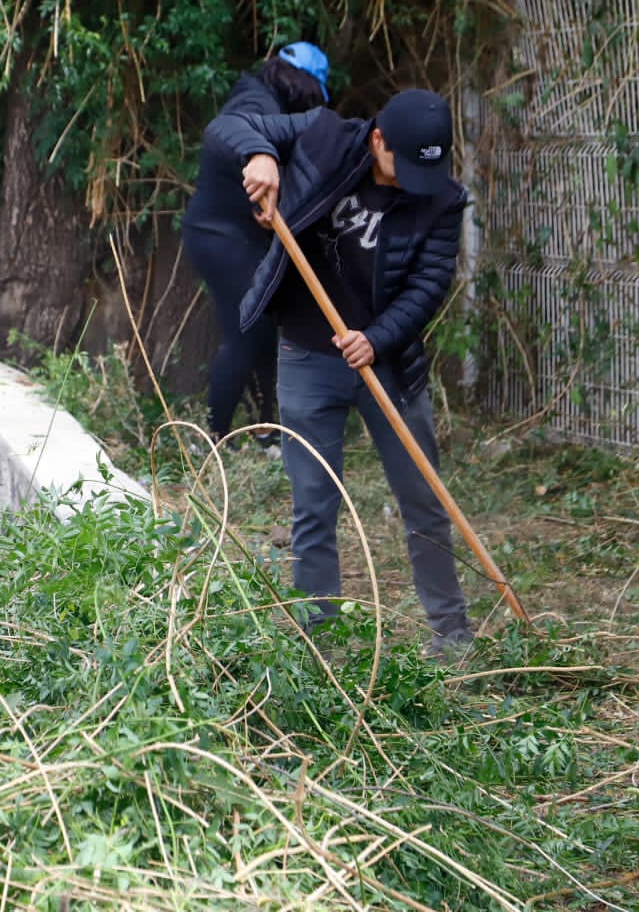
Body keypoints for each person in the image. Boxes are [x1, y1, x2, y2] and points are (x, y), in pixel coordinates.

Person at [205, 88, 475, 659]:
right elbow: (229, 127)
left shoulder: (443, 200)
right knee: (314, 508)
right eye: (405, 167)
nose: (416, 184)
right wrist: (261, 156)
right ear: (378, 140)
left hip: (390, 367)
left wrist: (374, 339)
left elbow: (427, 287)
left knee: (424, 501)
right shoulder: (324, 134)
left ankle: (451, 637)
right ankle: (318, 651)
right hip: (307, 357)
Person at [183, 42, 330, 447]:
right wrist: (260, 152)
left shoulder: (263, 96)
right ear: (304, 85)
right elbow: (232, 129)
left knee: (264, 330)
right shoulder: (255, 99)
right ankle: (210, 439)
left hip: (231, 235)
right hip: (220, 237)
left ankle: (265, 431)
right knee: (248, 333)